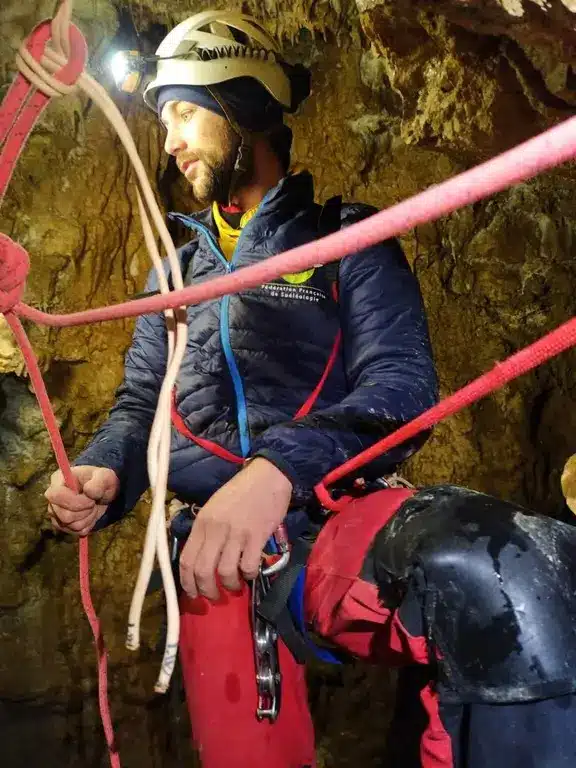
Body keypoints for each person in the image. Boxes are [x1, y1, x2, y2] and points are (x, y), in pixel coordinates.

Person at [45, 11, 576, 768]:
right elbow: (141, 409)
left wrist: (280, 469)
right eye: (164, 120)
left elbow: (400, 385)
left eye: (186, 113)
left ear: (244, 106)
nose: (169, 141)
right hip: (212, 551)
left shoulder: (346, 239)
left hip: (338, 510)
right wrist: (107, 470)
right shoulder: (172, 275)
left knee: (510, 575)